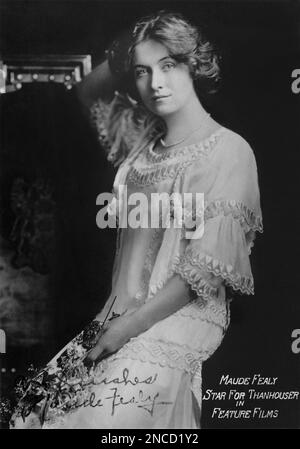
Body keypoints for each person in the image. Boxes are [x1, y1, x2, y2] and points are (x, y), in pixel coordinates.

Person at [10, 10, 263, 429]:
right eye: (143, 71)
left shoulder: (230, 151)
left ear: (194, 64)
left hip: (174, 323)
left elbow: (203, 272)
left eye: (169, 65)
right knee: (27, 418)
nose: (155, 83)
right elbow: (88, 93)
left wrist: (124, 331)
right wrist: (139, 39)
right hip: (111, 321)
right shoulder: (138, 148)